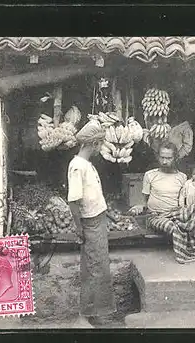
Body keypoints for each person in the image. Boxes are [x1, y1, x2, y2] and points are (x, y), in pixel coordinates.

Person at [129, 141, 195, 263]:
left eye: (169, 158)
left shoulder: (182, 177)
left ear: (175, 158)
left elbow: (189, 198)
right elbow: (144, 200)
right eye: (162, 157)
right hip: (157, 216)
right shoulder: (150, 175)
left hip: (177, 213)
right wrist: (140, 205)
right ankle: (191, 250)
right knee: (173, 227)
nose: (165, 161)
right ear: (158, 157)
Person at [67, 119, 117, 326]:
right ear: (93, 144)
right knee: (96, 269)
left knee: (96, 267)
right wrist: (79, 229)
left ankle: (93, 313)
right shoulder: (78, 166)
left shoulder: (86, 165)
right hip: (90, 223)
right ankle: (85, 316)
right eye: (99, 144)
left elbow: (93, 196)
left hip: (98, 219)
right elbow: (73, 201)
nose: (100, 148)